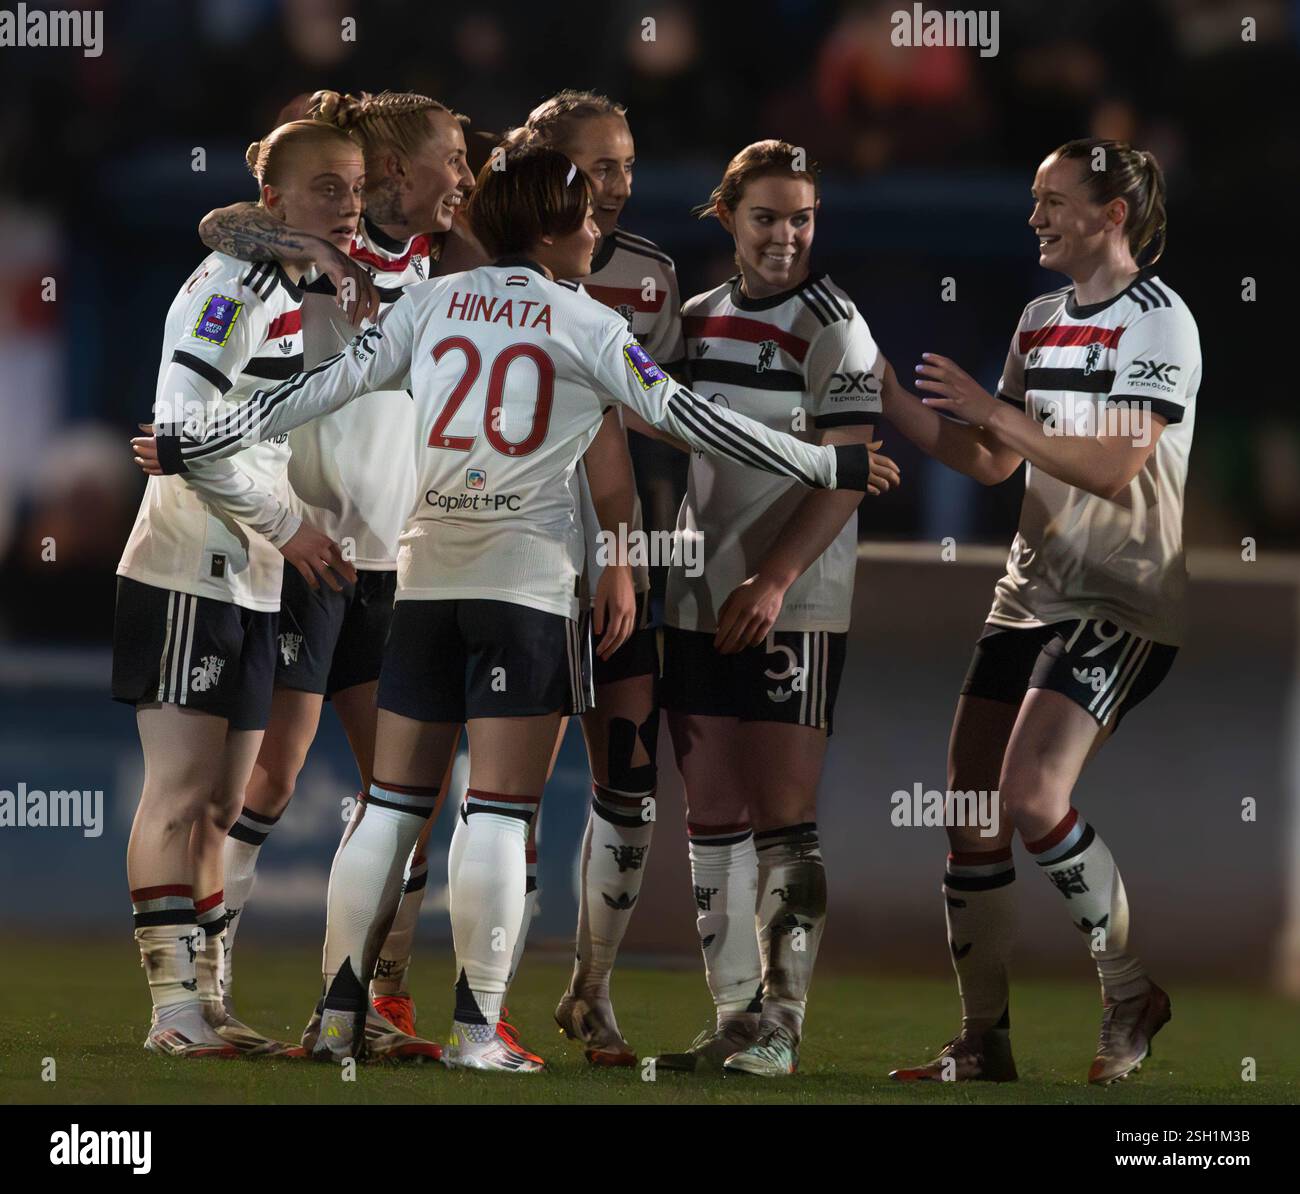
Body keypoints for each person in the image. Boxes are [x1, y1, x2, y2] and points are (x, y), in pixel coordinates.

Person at [133, 145, 897, 1071]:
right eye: (583, 221)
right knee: (495, 811)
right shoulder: (584, 322)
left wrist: (197, 435)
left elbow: (309, 391)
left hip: (422, 583)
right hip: (525, 589)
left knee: (387, 808)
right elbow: (691, 416)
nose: (595, 236)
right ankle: (476, 1028)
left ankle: (336, 1017)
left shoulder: (428, 303)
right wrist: (827, 463)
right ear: (547, 229)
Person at [882, 140, 1197, 1086]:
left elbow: (1113, 464)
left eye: (1054, 201)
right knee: (970, 809)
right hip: (1029, 593)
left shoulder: (1160, 321)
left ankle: (1128, 989)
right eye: (1032, 199)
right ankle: (983, 1040)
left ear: (1113, 215)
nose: (1035, 218)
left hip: (1122, 597)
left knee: (1030, 796)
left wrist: (998, 411)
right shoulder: (1039, 318)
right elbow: (992, 462)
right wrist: (887, 396)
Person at [192, 88, 476, 1060]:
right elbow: (219, 219)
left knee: (406, 795)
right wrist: (311, 250)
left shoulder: (444, 265)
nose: (465, 179)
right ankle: (200, 986)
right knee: (266, 775)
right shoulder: (303, 260)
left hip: (394, 562)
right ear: (401, 171)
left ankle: (353, 1006)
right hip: (306, 550)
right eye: (451, 160)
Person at [114, 118, 361, 1057]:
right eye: (324, 189)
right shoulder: (237, 284)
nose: (345, 205)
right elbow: (181, 428)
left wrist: (280, 533)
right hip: (187, 563)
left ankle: (209, 1002)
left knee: (223, 804)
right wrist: (289, 525)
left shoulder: (290, 284)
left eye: (353, 187)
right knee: (175, 794)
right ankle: (171, 1011)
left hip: (251, 574)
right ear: (275, 205)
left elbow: (231, 431)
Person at [646, 140, 891, 1077]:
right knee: (711, 809)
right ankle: (735, 1019)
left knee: (785, 813)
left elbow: (848, 474)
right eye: (766, 217)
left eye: (803, 218)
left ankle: (782, 1025)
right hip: (699, 595)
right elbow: (650, 417)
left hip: (795, 601)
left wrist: (776, 579)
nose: (786, 236)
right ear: (727, 219)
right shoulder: (696, 321)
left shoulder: (838, 326)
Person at [499, 89, 687, 1066]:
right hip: (512, 552)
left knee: (628, 775)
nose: (615, 185)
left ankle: (590, 990)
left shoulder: (651, 274)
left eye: (624, 164)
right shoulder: (486, 269)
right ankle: (446, 992)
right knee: (504, 791)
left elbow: (657, 426)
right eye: (596, 165)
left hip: (618, 554)